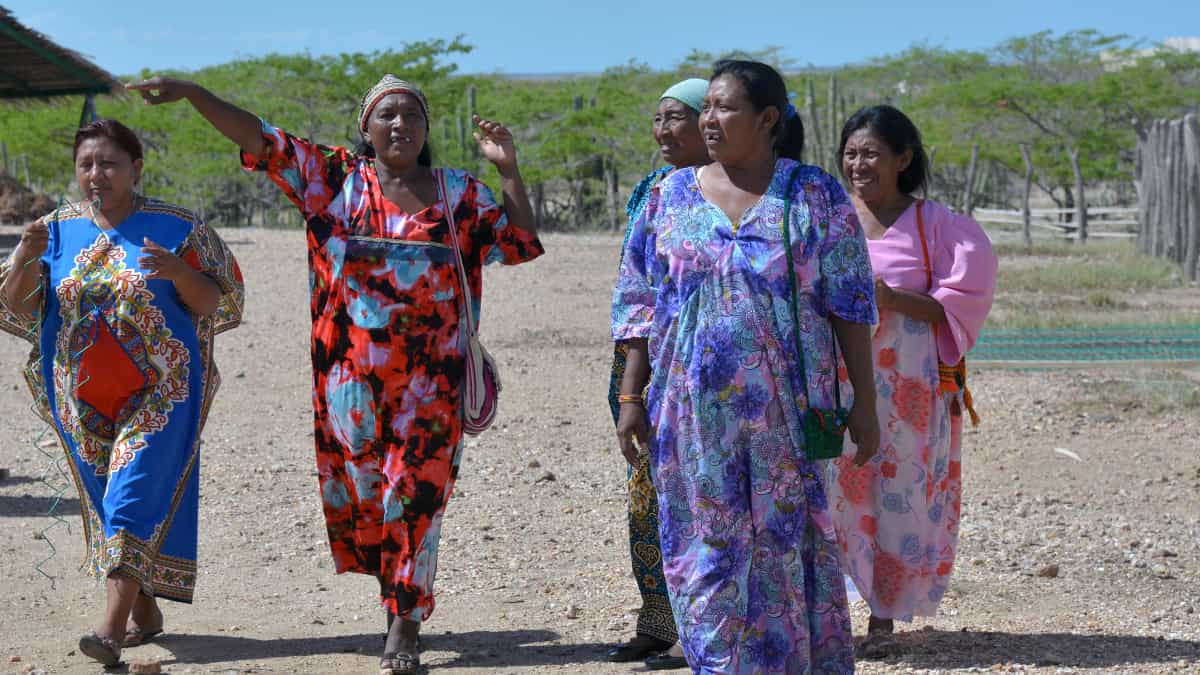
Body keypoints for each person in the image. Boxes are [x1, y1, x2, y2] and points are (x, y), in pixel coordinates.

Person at [126, 74, 543, 674]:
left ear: (426, 129)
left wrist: (507, 170)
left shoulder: (461, 196)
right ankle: (396, 587)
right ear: (365, 129)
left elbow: (520, 241)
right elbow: (261, 139)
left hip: (434, 386)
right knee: (371, 499)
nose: (400, 125)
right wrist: (195, 93)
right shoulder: (334, 181)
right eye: (387, 115)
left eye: (411, 116)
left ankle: (405, 622)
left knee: (417, 497)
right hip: (350, 386)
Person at [611, 59, 880, 674]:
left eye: (724, 107)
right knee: (705, 547)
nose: (708, 119)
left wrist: (864, 404)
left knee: (785, 546)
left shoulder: (814, 193)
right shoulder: (668, 195)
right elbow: (638, 300)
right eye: (705, 107)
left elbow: (850, 303)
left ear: (767, 118)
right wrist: (631, 398)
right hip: (689, 412)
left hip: (788, 411)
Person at [0, 119, 244, 667]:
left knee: (132, 492)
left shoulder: (177, 227)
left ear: (136, 169)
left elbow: (217, 304)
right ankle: (146, 607)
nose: (96, 175)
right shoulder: (54, 230)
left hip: (164, 390)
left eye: (109, 164)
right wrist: (21, 257)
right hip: (81, 400)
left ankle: (107, 631)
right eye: (86, 164)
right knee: (111, 504)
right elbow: (15, 307)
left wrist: (180, 271)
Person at [826, 105, 997, 657]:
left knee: (897, 495)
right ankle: (826, 611)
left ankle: (882, 616)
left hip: (909, 390)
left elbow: (965, 298)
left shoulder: (938, 227)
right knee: (832, 492)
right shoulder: (828, 216)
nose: (859, 164)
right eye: (850, 153)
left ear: (903, 158)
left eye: (871, 153)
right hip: (835, 381)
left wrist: (894, 299)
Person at [606, 77, 709, 672]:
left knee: (703, 497)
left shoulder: (740, 193)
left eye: (679, 117)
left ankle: (702, 626)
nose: (664, 129)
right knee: (647, 496)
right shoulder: (651, 188)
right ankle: (657, 621)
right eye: (659, 118)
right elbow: (636, 294)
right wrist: (628, 386)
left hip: (698, 366)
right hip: (640, 362)